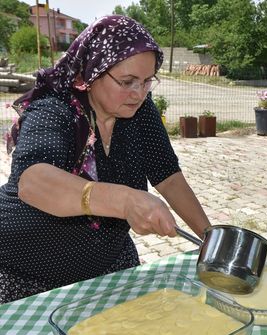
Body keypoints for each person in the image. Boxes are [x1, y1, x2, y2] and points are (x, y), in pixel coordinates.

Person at [0, 15, 210, 304]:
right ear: (92, 73)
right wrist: (124, 200)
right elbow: (33, 181)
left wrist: (211, 239)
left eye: (148, 81)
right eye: (127, 81)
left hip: (110, 268)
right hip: (28, 279)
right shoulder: (55, 109)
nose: (138, 93)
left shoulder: (139, 109)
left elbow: (168, 176)